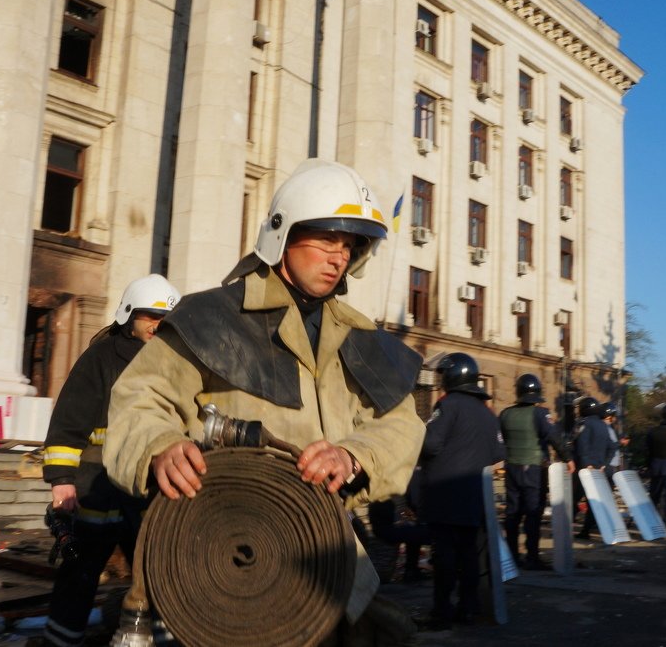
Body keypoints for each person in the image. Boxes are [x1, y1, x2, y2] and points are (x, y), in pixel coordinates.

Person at [103, 159, 426, 644]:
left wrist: (355, 456)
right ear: (283, 232)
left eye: (348, 245)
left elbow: (402, 423)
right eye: (326, 239)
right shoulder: (210, 316)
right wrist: (159, 446)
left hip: (325, 558)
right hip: (226, 557)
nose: (338, 257)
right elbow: (139, 398)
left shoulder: (360, 336)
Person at [40, 274, 181, 647]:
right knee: (80, 573)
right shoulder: (101, 358)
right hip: (96, 488)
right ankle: (61, 641)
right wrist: (62, 482)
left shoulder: (174, 364)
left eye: (165, 318)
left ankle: (165, 638)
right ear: (129, 315)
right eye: (151, 316)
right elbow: (69, 422)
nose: (158, 325)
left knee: (158, 572)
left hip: (147, 488)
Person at [418, 353, 505, 629]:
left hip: (445, 493)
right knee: (469, 555)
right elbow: (498, 453)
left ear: (452, 376)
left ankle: (442, 612)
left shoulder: (448, 404)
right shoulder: (487, 412)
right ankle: (469, 608)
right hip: (475, 496)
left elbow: (430, 444)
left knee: (444, 556)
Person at [499, 373, 572, 570]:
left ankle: (512, 556)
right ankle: (532, 557)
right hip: (533, 469)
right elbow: (553, 436)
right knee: (533, 512)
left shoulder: (505, 414)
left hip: (511, 468)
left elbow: (499, 439)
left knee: (512, 513)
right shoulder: (540, 414)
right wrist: (568, 458)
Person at [571, 396, 615, 539]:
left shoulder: (584, 423)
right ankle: (586, 531)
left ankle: (564, 528)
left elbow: (581, 445)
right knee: (592, 501)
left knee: (574, 498)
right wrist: (604, 464)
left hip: (584, 468)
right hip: (598, 469)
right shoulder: (604, 425)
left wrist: (585, 464)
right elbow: (612, 447)